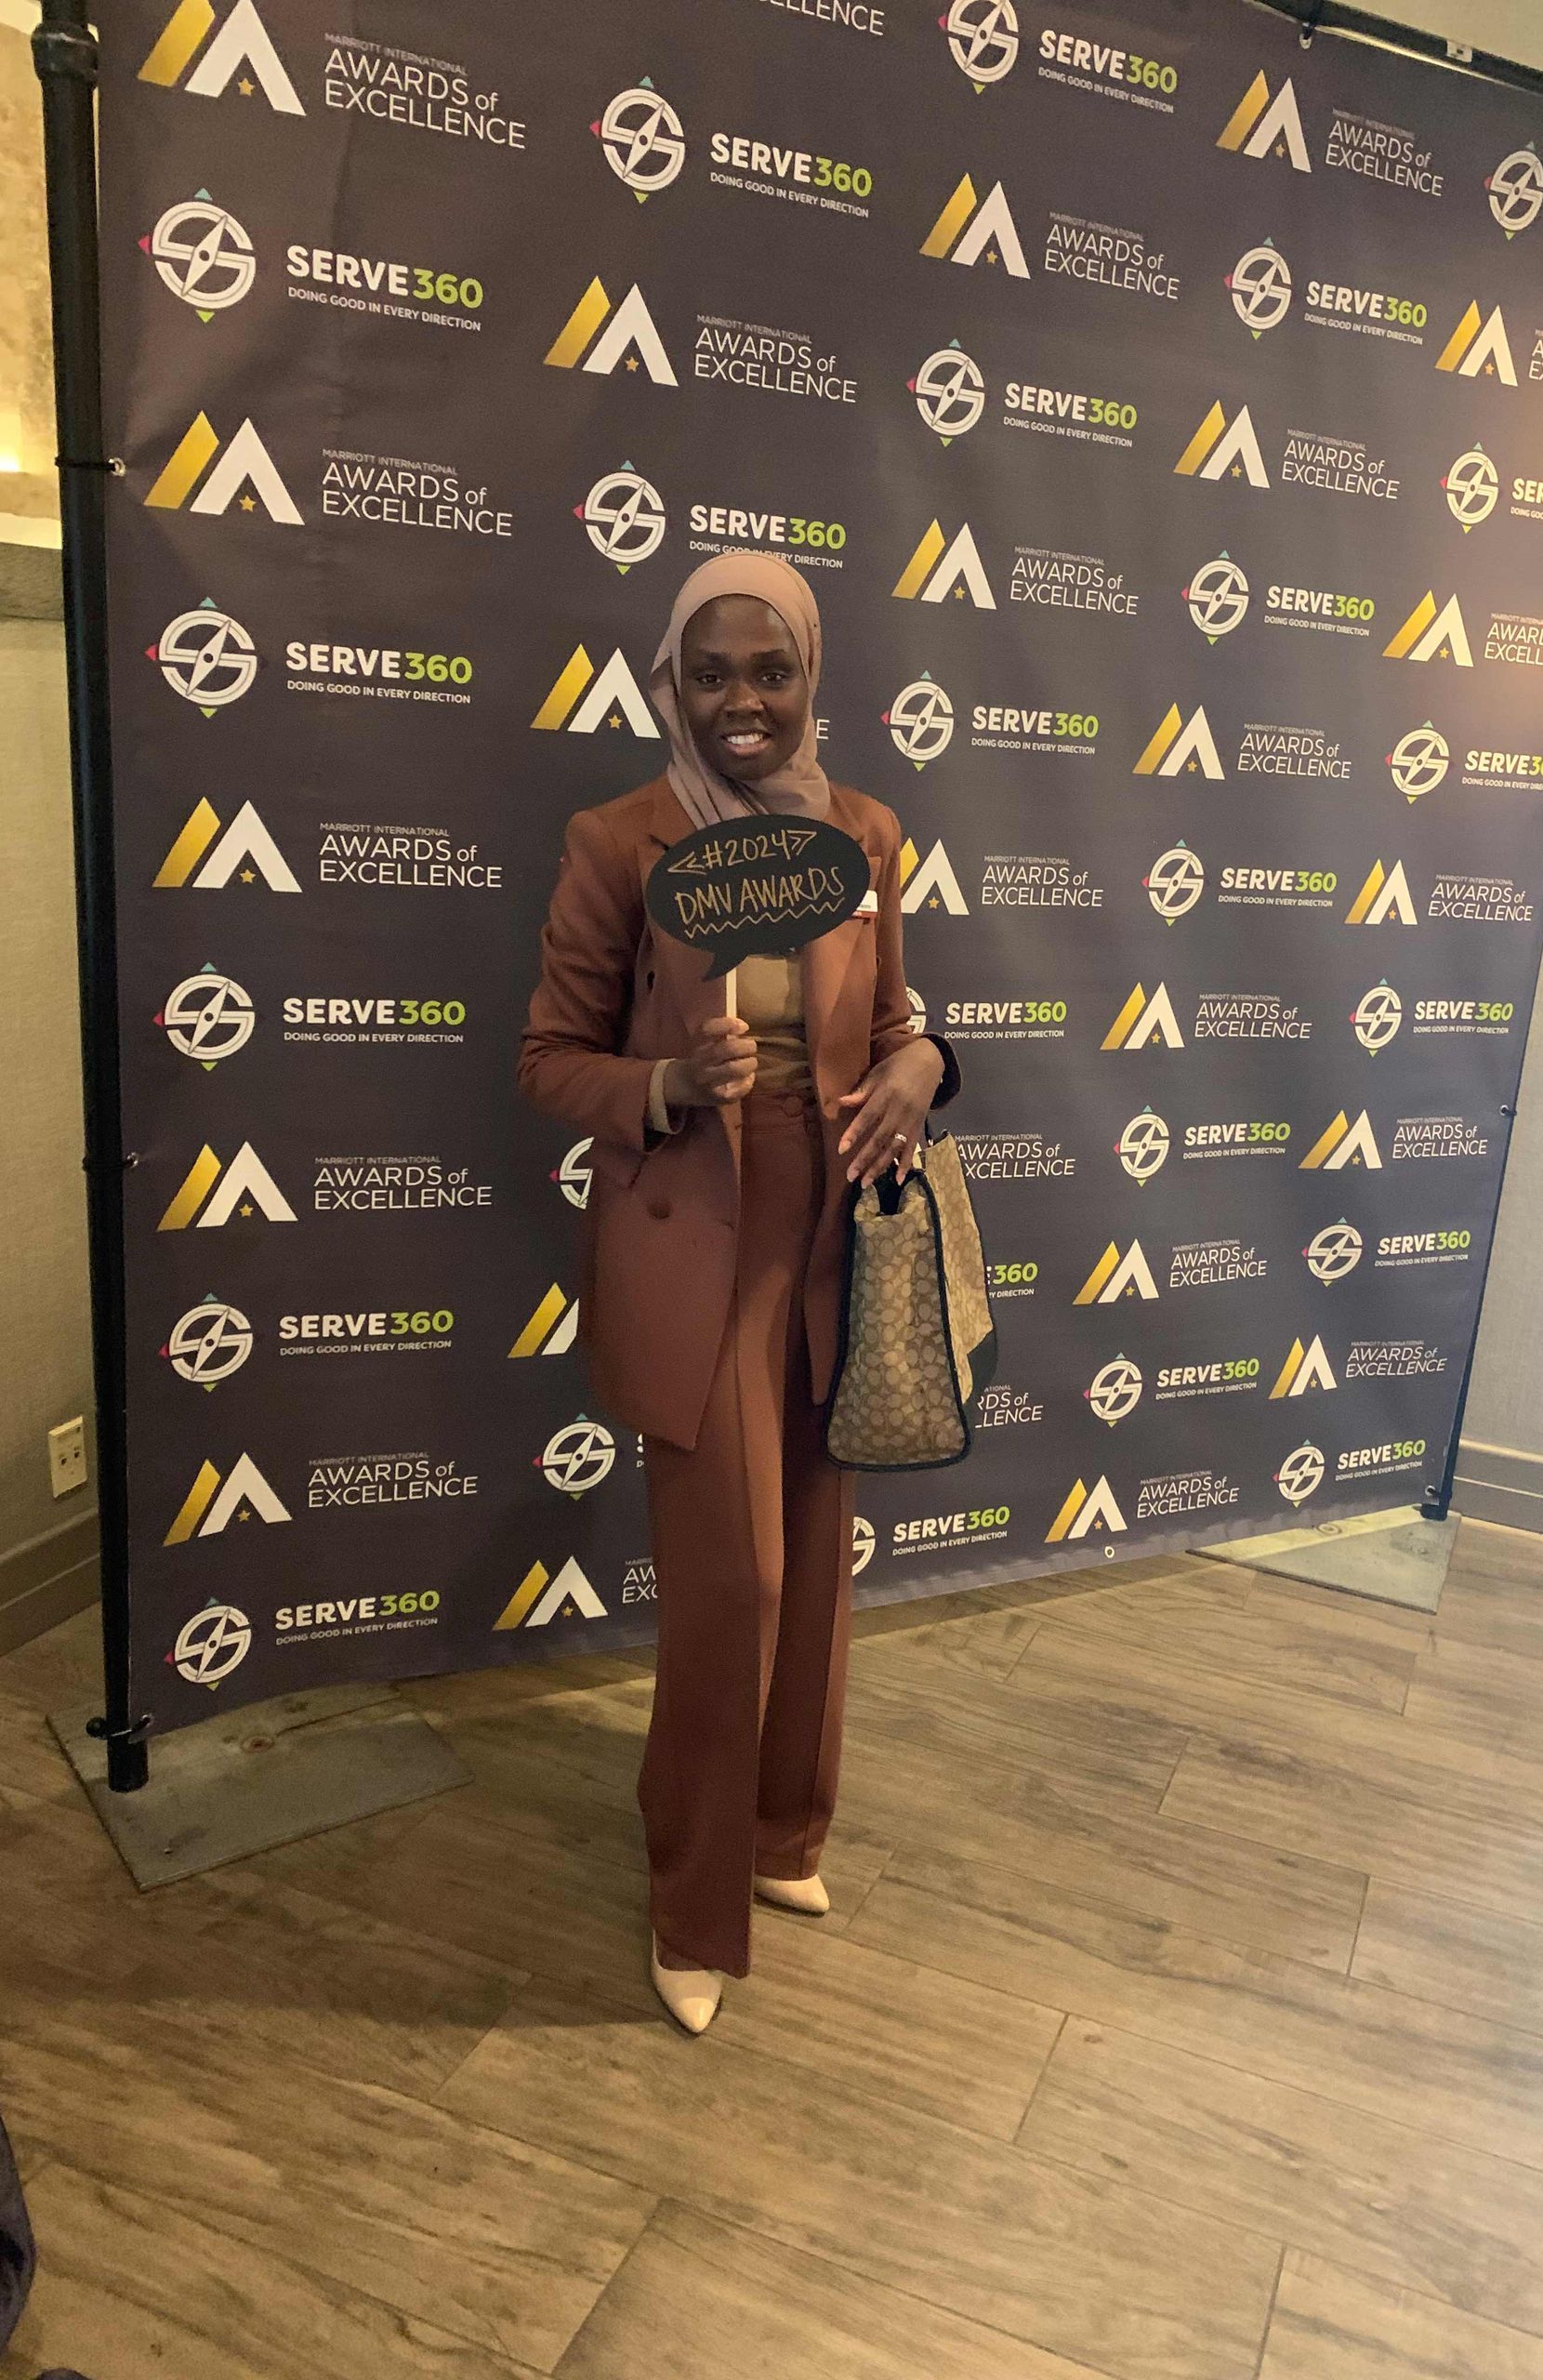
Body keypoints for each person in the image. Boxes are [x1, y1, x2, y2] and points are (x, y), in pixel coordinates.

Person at [517, 552, 960, 2033]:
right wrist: (660, 1082)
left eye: (770, 671)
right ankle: (690, 1897)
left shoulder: (867, 831)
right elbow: (546, 1061)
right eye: (712, 674)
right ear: (671, 682)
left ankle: (782, 1839)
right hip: (689, 1231)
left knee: (819, 1564)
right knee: (735, 1578)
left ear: (812, 676)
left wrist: (920, 1065)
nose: (743, 702)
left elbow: (897, 1023)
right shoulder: (618, 840)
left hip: (834, 1224)